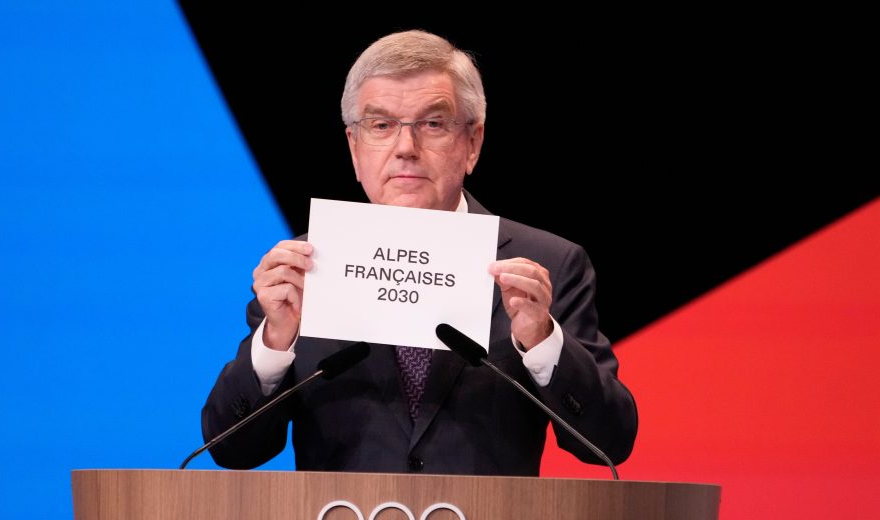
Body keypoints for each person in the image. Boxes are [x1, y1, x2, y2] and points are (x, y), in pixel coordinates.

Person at [202, 30, 637, 476]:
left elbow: (611, 441)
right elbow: (232, 450)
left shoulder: (547, 265)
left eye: (432, 124)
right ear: (354, 148)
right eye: (381, 126)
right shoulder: (302, 269)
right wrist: (276, 342)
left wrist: (542, 339)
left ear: (473, 143)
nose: (406, 149)